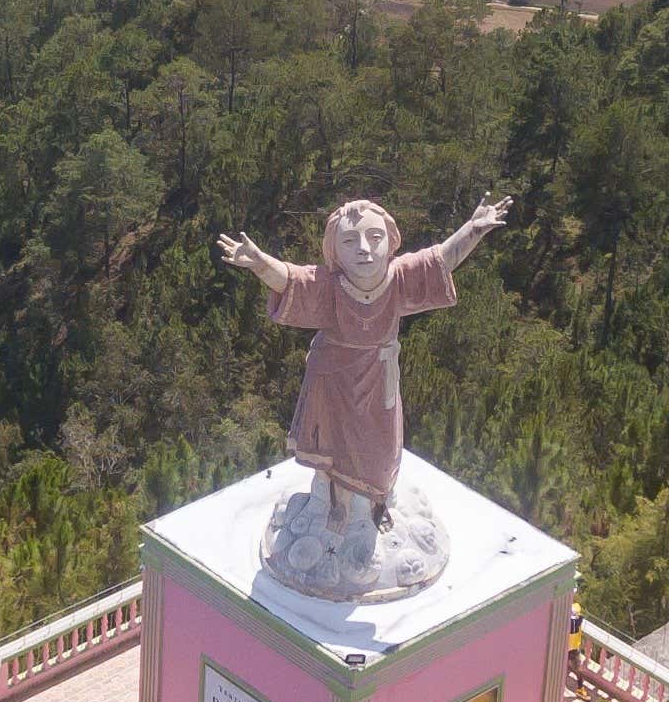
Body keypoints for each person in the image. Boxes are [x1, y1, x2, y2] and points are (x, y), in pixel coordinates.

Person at [219, 195, 512, 532]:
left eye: (375, 238)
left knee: (381, 448)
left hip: (378, 377)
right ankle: (329, 506)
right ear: (334, 253)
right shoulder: (329, 285)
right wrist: (259, 263)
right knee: (331, 446)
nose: (364, 248)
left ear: (390, 243)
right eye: (349, 240)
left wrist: (472, 230)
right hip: (332, 377)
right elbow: (291, 279)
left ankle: (372, 503)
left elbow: (440, 260)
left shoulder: (399, 278)